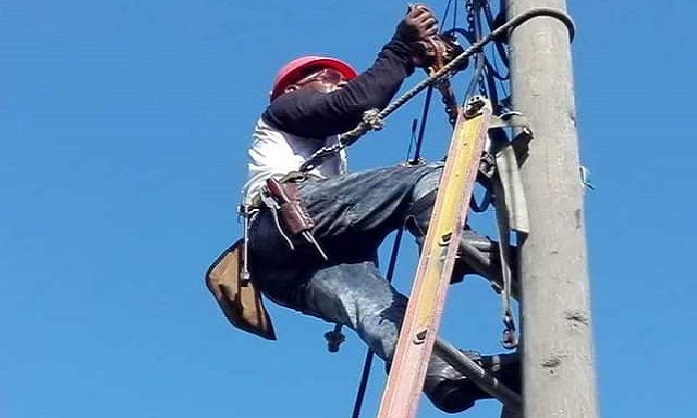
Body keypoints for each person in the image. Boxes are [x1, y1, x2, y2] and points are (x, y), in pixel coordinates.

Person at [242, 5, 519, 414]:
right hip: (285, 223)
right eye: (326, 77)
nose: (338, 82)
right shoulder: (283, 111)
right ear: (290, 90)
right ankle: (461, 245)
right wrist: (401, 50)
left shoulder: (319, 149)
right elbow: (354, 103)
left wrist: (417, 56)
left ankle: (442, 374)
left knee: (379, 309)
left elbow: (355, 102)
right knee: (420, 178)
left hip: (290, 268)